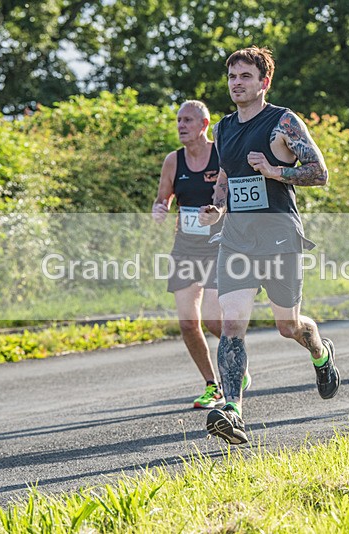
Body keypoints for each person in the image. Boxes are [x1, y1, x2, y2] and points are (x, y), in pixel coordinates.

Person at [198, 46, 340, 445]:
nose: (236, 84)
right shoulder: (224, 128)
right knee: (232, 322)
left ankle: (321, 353)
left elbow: (319, 173)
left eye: (245, 76)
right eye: (232, 77)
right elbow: (225, 175)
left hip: (278, 236)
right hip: (237, 239)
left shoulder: (283, 122)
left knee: (287, 326)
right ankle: (232, 410)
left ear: (265, 82)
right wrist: (218, 207)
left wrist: (275, 171)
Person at [152, 100, 249, 410]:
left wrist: (220, 213)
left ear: (204, 125)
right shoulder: (173, 161)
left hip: (219, 244)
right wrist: (159, 209)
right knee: (187, 323)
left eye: (188, 120)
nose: (181, 125)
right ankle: (213, 385)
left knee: (212, 318)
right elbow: (163, 198)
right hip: (185, 247)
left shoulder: (221, 154)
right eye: (179, 120)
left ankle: (236, 363)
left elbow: (237, 194)